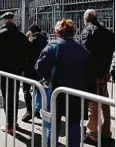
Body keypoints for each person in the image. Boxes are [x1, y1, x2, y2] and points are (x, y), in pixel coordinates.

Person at [35, 19, 96, 147]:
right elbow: (90, 74)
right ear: (73, 32)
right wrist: (91, 94)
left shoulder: (53, 47)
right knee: (74, 125)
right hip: (77, 93)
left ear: (58, 32)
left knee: (53, 125)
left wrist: (48, 77)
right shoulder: (82, 50)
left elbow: (39, 68)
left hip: (56, 92)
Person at [0, 12, 30, 134]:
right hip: (16, 71)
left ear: (4, 21)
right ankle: (13, 123)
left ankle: (10, 125)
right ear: (13, 20)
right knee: (14, 96)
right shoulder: (21, 36)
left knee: (7, 97)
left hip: (3, 71)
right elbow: (28, 52)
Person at [80, 9, 115, 143]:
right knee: (105, 101)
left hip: (93, 73)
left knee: (93, 104)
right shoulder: (108, 33)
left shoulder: (87, 31)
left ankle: (92, 133)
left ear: (86, 18)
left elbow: (84, 53)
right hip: (104, 72)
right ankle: (106, 130)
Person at [22, 24, 48, 122]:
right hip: (41, 69)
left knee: (26, 90)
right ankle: (37, 109)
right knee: (39, 89)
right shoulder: (45, 41)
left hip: (29, 69)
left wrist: (26, 37)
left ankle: (29, 111)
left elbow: (23, 50)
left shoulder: (30, 42)